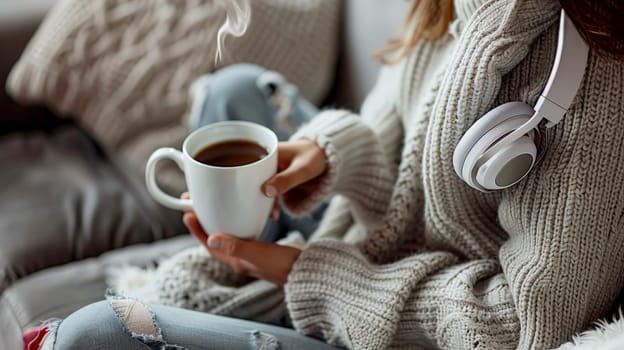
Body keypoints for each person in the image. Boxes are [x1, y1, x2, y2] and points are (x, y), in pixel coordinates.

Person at [31, 0, 624, 349]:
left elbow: (525, 324)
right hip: (375, 243)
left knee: (98, 335)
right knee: (231, 94)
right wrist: (327, 155)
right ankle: (252, 256)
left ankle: (268, 277)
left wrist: (314, 277)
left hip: (405, 316)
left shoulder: (595, 83)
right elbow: (397, 123)